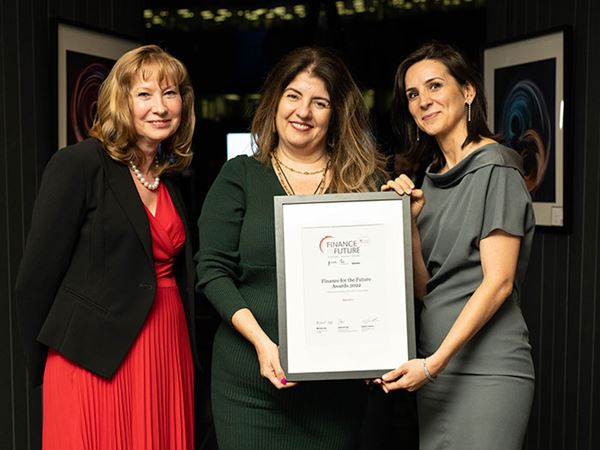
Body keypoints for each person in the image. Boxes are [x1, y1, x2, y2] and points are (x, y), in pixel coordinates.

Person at [195, 46, 387, 450]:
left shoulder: (362, 184)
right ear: (275, 102)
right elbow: (212, 270)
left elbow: (380, 280)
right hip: (249, 384)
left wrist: (377, 349)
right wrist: (264, 344)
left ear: (336, 115)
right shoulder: (240, 176)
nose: (304, 112)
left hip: (333, 394)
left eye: (320, 102)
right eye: (294, 96)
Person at [15, 45, 197, 450]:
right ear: (121, 101)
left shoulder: (171, 180)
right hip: (92, 361)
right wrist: (52, 364)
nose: (160, 107)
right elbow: (34, 281)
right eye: (144, 94)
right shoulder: (79, 164)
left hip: (166, 348)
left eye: (170, 94)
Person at [380, 41, 535, 450]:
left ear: (467, 92)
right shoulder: (429, 178)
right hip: (434, 367)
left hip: (486, 369)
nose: (423, 101)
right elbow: (424, 289)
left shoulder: (496, 166)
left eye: (434, 86)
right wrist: (410, 226)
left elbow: (498, 283)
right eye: (413, 94)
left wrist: (434, 364)